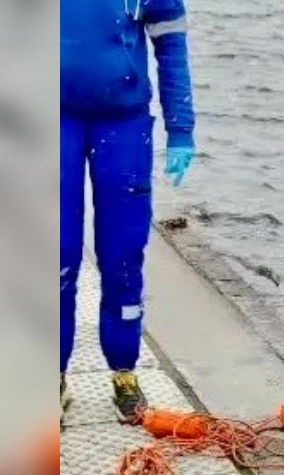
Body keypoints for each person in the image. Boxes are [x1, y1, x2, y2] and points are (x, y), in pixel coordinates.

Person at [60, 0, 197, 424]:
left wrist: (181, 128)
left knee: (122, 255)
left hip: (123, 124)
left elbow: (171, 48)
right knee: (54, 256)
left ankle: (123, 371)